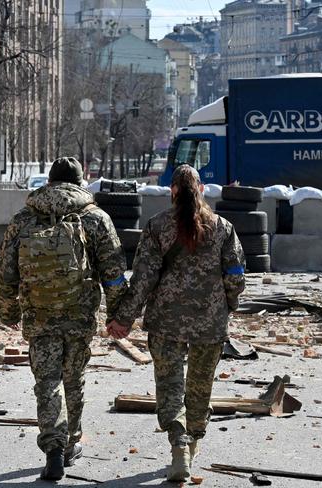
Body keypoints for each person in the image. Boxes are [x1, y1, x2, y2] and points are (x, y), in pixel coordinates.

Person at [107, 165, 245, 482]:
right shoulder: (223, 228)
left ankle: (179, 446)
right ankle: (190, 448)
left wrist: (123, 320)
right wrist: (229, 306)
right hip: (209, 325)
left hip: (166, 323)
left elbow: (142, 279)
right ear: (202, 190)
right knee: (199, 390)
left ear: (172, 192)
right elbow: (235, 276)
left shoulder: (157, 227)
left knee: (170, 389)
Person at [0, 157, 127, 480]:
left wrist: (9, 311)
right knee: (73, 379)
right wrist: (118, 316)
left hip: (39, 316)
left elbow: (5, 272)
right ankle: (70, 445)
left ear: (50, 183)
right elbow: (113, 274)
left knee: (47, 382)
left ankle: (53, 448)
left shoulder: (24, 219)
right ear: (81, 183)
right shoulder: (95, 218)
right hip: (79, 316)